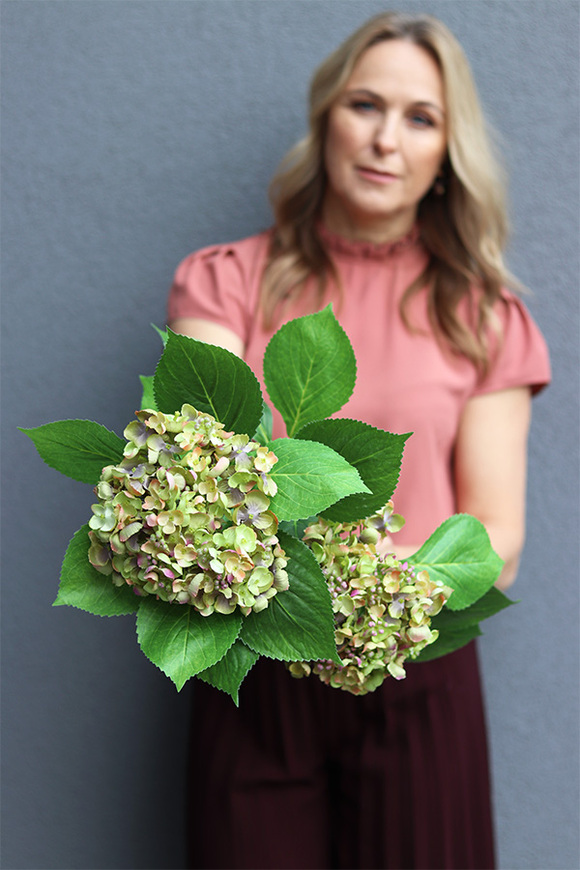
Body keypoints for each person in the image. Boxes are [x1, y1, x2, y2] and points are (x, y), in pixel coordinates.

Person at [167, 11, 550, 870]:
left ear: (448, 152)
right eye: (365, 105)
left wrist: (375, 596)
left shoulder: (484, 317)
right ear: (325, 119)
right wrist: (307, 591)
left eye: (420, 118)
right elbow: (199, 484)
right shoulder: (225, 285)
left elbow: (497, 539)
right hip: (253, 664)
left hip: (417, 670)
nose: (385, 139)